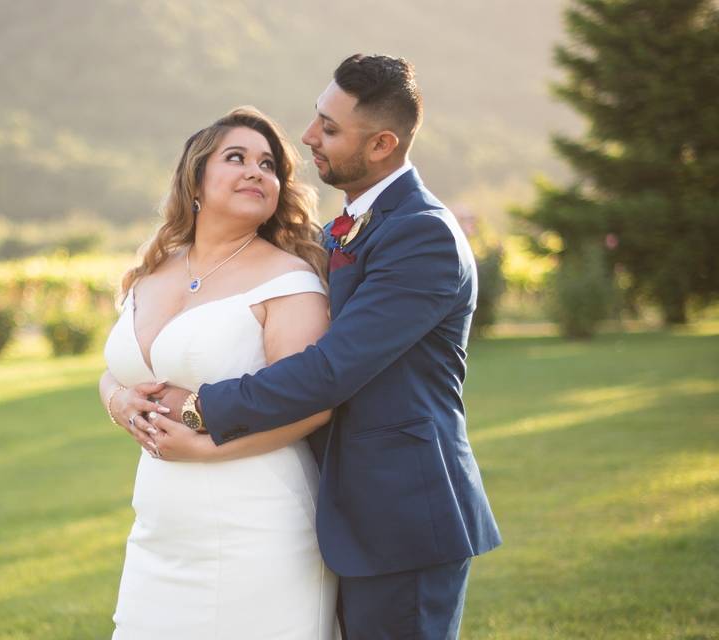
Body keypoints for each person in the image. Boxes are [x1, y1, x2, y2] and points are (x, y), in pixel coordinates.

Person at [141, 54, 502, 639]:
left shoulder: (422, 233)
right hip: (337, 510)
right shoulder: (348, 225)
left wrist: (200, 406)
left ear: (383, 143)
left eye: (330, 129)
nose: (308, 138)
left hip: (402, 516)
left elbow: (333, 370)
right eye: (317, 118)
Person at [99, 106, 339, 639]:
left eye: (269, 165)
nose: (257, 171)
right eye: (237, 158)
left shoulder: (290, 280)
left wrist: (203, 449)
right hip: (160, 528)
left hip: (256, 526)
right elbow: (117, 372)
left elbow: (312, 404)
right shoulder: (153, 269)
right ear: (196, 181)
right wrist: (118, 402)